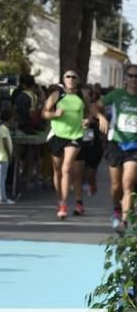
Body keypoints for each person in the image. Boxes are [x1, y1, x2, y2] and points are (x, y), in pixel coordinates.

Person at [43, 71, 91, 220]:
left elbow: (89, 112)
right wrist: (54, 114)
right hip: (57, 136)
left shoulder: (83, 95)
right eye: (67, 77)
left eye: (73, 77)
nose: (70, 79)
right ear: (63, 80)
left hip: (75, 136)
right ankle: (60, 200)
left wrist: (88, 120)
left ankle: (64, 205)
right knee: (57, 171)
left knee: (66, 168)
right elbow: (44, 112)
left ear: (78, 80)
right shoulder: (56, 95)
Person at [96, 65, 137, 231]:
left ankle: (124, 221)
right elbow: (94, 106)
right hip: (116, 143)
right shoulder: (116, 95)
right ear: (125, 78)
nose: (134, 79)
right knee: (116, 186)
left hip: (134, 146)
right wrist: (101, 118)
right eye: (131, 76)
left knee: (128, 184)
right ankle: (116, 209)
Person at [0, 108, 15, 204]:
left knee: (2, 176)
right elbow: (5, 142)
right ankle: (1, 197)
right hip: (3, 155)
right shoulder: (3, 128)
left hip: (3, 155)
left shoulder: (4, 128)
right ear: (9, 118)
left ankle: (1, 196)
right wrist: (9, 154)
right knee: (2, 176)